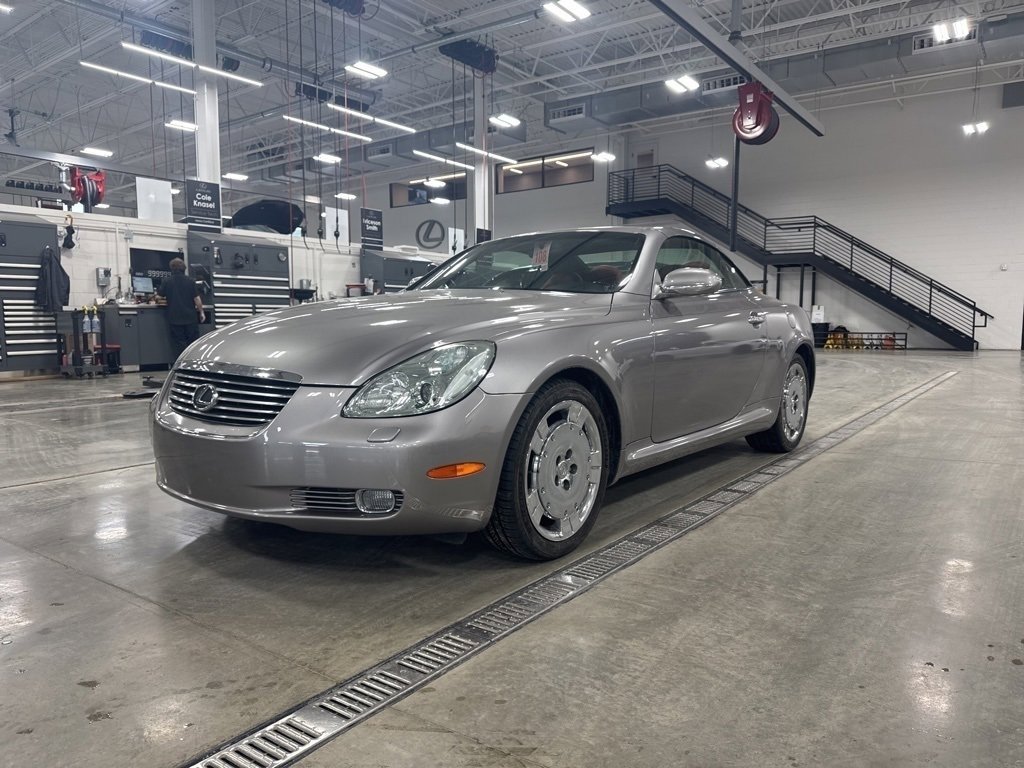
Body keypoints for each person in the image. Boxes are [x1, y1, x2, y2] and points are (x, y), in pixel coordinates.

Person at [157, 258, 205, 359]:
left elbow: (159, 297)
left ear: (171, 268)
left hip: (175, 318)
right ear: (184, 268)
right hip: (190, 318)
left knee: (179, 344)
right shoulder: (191, 281)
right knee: (193, 343)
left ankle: (181, 365)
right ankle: (192, 362)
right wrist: (201, 312)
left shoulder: (167, 281)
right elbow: (197, 299)